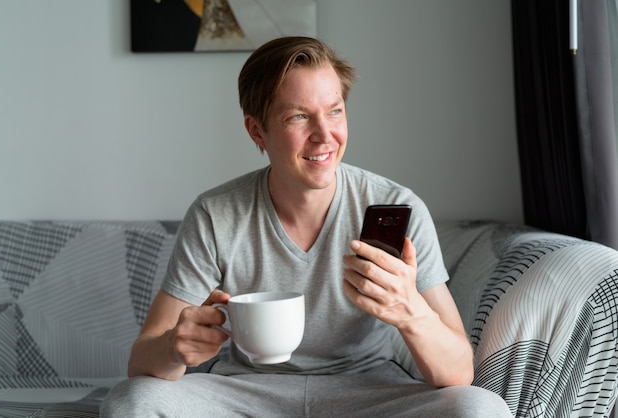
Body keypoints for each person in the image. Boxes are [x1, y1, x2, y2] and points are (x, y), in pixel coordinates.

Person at [101, 36, 511, 417]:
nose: (324, 135)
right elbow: (141, 362)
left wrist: (410, 313)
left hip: (367, 393)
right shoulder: (215, 214)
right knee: (130, 402)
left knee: (480, 409)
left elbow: (458, 372)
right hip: (245, 394)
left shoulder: (398, 207)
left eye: (334, 111)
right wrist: (175, 348)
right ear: (256, 130)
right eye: (299, 116)